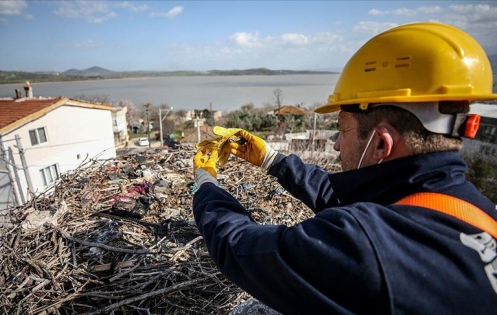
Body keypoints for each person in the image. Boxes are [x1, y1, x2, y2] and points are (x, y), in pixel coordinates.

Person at [192, 22, 497, 314]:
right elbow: (346, 195)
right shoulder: (478, 213)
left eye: (343, 129)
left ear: (380, 143)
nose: (337, 145)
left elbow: (240, 247)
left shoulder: (367, 245)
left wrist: (206, 183)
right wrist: (271, 159)